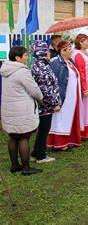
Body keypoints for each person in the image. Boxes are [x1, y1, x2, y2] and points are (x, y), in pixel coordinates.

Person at [1, 46, 43, 175]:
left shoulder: (6, 70)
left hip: (9, 108)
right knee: (24, 136)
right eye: (25, 55)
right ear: (17, 58)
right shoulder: (22, 71)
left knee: (13, 137)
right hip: (22, 109)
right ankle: (26, 168)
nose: (27, 58)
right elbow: (33, 89)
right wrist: (40, 98)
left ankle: (15, 165)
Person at [48, 41, 84, 150]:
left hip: (72, 95)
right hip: (63, 96)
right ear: (62, 51)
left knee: (69, 117)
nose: (71, 51)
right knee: (61, 118)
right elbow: (54, 81)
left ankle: (70, 139)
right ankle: (60, 143)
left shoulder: (69, 61)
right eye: (69, 49)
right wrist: (56, 98)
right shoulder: (56, 63)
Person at [30, 41, 62, 164]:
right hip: (45, 105)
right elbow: (46, 89)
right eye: (47, 51)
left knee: (42, 129)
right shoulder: (41, 68)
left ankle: (35, 153)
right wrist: (54, 104)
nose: (49, 53)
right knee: (44, 129)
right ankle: (41, 156)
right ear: (42, 53)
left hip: (43, 104)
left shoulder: (39, 65)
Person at [73, 34, 88, 137]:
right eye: (86, 41)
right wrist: (84, 88)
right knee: (85, 106)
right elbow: (81, 72)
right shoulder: (78, 54)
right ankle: (84, 130)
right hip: (85, 83)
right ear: (80, 43)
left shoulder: (85, 52)